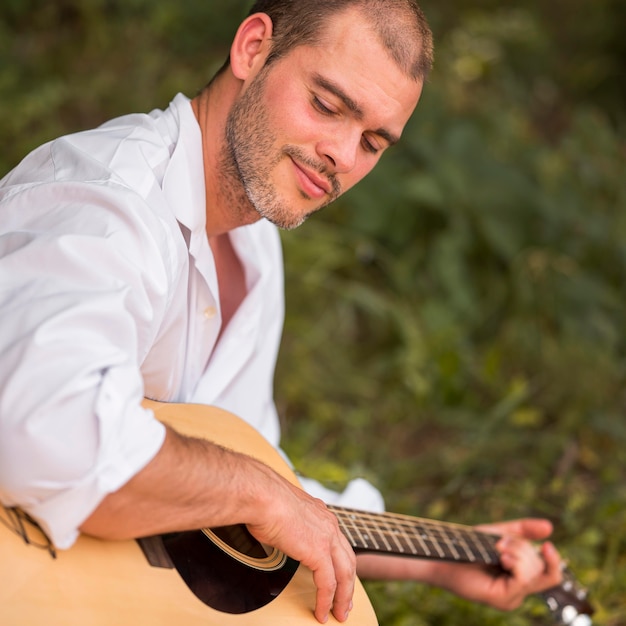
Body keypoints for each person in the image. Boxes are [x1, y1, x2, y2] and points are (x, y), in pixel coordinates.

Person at [0, 0, 563, 623]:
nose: (344, 157)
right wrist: (256, 491)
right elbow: (52, 432)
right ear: (253, 48)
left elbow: (248, 475)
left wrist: (437, 559)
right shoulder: (105, 205)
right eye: (327, 105)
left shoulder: (256, 248)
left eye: (374, 142)